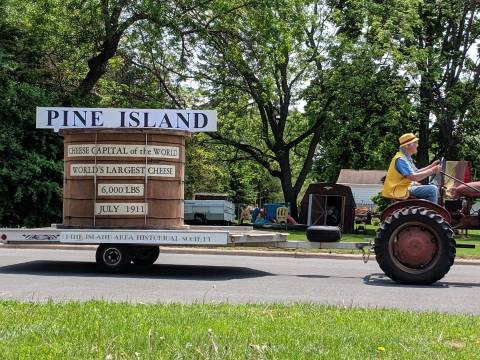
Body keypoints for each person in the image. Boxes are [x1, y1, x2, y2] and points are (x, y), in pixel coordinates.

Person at [382, 133, 441, 203]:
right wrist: (432, 171)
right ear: (407, 145)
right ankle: (431, 212)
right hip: (400, 189)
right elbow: (413, 177)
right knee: (432, 189)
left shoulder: (406, 158)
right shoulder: (400, 160)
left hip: (404, 188)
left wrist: (431, 166)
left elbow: (416, 172)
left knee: (433, 186)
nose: (417, 145)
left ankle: (427, 211)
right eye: (415, 143)